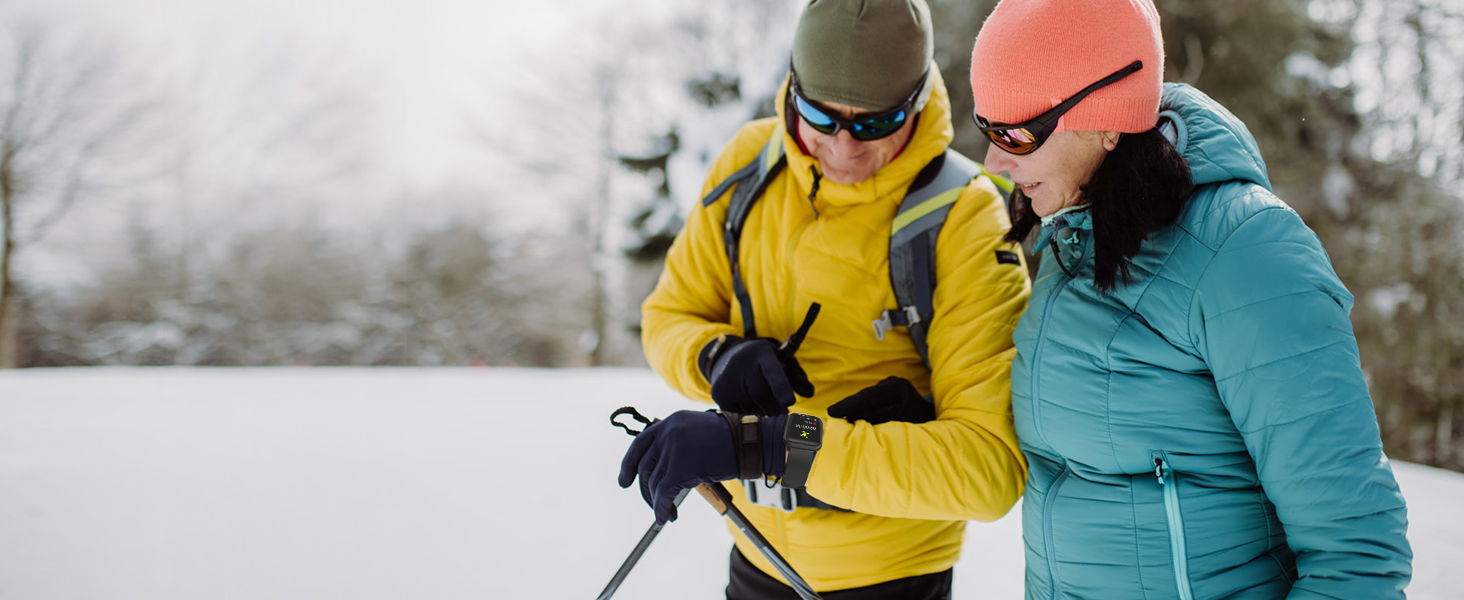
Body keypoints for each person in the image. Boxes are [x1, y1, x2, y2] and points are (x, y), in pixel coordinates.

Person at [964, 0, 1414, 598]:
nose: (993, 160)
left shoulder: (1246, 253)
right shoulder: (1073, 237)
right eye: (985, 128)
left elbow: (1357, 555)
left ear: (1106, 117)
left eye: (1015, 133)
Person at [615, 0, 1032, 598]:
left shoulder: (966, 219)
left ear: (916, 102)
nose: (843, 148)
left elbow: (988, 468)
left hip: (893, 576)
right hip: (754, 551)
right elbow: (667, 314)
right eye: (820, 115)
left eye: (874, 124)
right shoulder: (748, 169)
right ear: (792, 87)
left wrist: (757, 446)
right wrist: (718, 356)